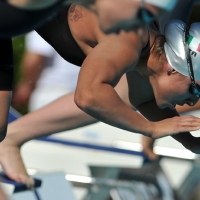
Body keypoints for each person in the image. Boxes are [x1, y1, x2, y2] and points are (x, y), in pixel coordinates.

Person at [0, 4, 200, 189]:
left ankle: (12, 140)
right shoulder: (131, 38)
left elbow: (143, 99)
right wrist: (151, 129)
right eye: (195, 90)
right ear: (173, 68)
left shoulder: (148, 50)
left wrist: (188, 141)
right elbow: (88, 96)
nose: (193, 101)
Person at [12, 31, 80, 112]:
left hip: (50, 93)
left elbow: (35, 58)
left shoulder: (42, 23)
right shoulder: (79, 22)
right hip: (79, 92)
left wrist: (27, 84)